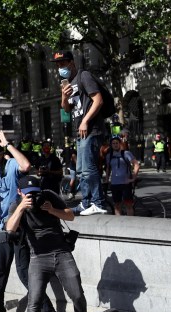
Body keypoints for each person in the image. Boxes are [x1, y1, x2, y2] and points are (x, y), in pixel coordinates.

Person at [0, 132, 62, 312]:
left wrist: (8, 144)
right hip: (2, 226)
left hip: (19, 226)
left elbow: (26, 166)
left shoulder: (11, 165)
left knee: (24, 272)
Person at [5, 175, 87, 312]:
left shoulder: (48, 196)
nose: (33, 197)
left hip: (62, 253)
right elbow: (9, 229)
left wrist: (52, 210)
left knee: (77, 295)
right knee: (34, 301)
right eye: (28, 194)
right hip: (38, 257)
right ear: (20, 192)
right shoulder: (16, 206)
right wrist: (21, 208)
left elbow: (70, 216)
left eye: (35, 193)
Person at [54, 50, 107, 216]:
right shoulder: (68, 82)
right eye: (58, 65)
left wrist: (85, 121)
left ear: (71, 63)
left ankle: (98, 202)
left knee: (89, 167)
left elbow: (98, 100)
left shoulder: (84, 76)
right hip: (80, 132)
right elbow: (67, 109)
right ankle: (86, 203)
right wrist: (63, 96)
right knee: (81, 170)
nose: (60, 67)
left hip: (91, 129)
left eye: (63, 63)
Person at [105, 136, 140, 216]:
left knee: (128, 205)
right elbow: (108, 168)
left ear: (120, 144)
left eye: (117, 143)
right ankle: (119, 225)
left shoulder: (126, 153)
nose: (115, 145)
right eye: (113, 143)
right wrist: (107, 180)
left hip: (125, 184)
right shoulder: (109, 156)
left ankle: (130, 224)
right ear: (111, 145)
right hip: (114, 184)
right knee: (117, 206)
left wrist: (133, 178)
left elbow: (136, 165)